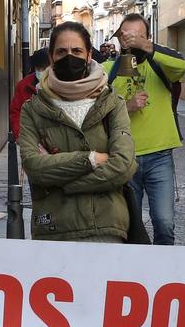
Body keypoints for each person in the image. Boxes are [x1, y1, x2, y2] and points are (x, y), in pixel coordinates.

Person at [19, 21, 137, 242]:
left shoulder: (112, 103)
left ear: (89, 54)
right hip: (54, 228)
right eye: (61, 51)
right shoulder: (33, 109)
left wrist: (65, 183)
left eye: (76, 51)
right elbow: (34, 167)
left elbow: (123, 165)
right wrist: (92, 159)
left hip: (106, 226)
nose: (69, 57)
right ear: (51, 57)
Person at [108, 13, 185, 244]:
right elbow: (104, 106)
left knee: (164, 222)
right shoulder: (114, 68)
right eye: (127, 36)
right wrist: (127, 106)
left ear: (148, 37)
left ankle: (161, 271)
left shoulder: (160, 63)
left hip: (159, 155)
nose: (132, 41)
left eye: (138, 35)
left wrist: (145, 46)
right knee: (130, 225)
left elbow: (181, 64)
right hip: (125, 156)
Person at [9, 47, 50, 139]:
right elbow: (16, 112)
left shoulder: (62, 84)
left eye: (45, 67)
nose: (41, 71)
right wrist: (19, 135)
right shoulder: (23, 85)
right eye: (38, 67)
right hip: (30, 138)